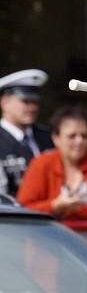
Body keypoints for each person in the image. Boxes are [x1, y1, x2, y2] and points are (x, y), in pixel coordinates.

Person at [17, 106, 87, 259]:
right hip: (50, 254)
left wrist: (67, 211)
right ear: (56, 138)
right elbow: (25, 207)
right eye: (72, 136)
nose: (79, 141)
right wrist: (54, 206)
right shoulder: (42, 164)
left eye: (84, 136)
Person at [0, 69, 53, 197]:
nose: (32, 108)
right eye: (25, 101)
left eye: (35, 102)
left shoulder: (47, 136)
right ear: (4, 102)